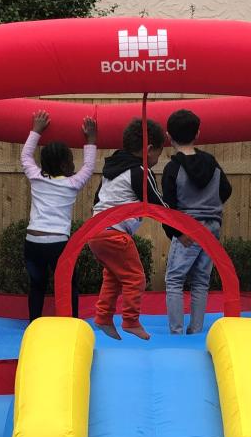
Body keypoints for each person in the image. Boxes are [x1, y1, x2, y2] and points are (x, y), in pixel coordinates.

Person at [88, 118, 167, 341]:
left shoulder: (111, 170)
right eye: (158, 155)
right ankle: (131, 320)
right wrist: (180, 228)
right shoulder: (140, 171)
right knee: (136, 277)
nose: (157, 161)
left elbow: (98, 199)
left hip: (96, 232)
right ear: (149, 149)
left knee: (113, 276)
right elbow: (158, 205)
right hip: (115, 233)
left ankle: (103, 317)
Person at [21, 109, 98, 321]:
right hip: (57, 244)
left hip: (33, 241)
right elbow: (89, 166)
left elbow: (26, 156)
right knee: (67, 283)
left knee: (37, 285)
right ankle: (69, 322)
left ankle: (33, 323)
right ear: (65, 165)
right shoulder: (72, 184)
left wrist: (35, 130)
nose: (74, 164)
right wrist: (91, 139)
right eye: (72, 161)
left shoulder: (36, 177)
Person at [162, 109, 232, 335]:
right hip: (212, 228)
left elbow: (169, 206)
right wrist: (210, 207)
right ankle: (196, 330)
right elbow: (226, 190)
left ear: (168, 136)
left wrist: (176, 232)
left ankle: (176, 331)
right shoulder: (212, 163)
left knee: (174, 279)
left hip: (187, 229)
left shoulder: (173, 168)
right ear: (198, 134)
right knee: (201, 281)